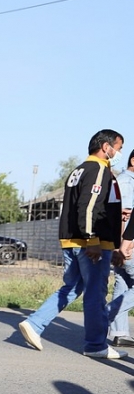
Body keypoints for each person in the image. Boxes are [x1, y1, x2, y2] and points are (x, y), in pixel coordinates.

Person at [18, 130, 129, 359]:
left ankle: (35, 323)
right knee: (95, 293)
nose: (119, 153)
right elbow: (88, 207)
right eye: (118, 147)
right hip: (90, 243)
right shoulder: (98, 169)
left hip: (74, 240)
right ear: (106, 147)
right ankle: (96, 344)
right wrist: (93, 241)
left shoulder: (79, 169)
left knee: (73, 287)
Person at [106, 150, 134, 347]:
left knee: (123, 283)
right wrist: (120, 246)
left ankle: (120, 332)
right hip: (128, 245)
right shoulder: (127, 182)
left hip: (125, 244)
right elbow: (121, 216)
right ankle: (106, 314)